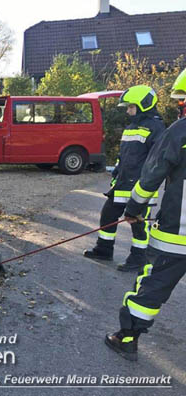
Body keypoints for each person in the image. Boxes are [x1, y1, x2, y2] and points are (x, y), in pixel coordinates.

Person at [104, 68, 186, 361]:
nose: (180, 107)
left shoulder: (180, 131)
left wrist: (134, 209)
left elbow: (151, 176)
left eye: (182, 101)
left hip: (178, 233)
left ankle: (127, 337)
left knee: (152, 285)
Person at [84, 85, 165, 271]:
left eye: (131, 107)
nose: (128, 111)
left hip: (140, 188)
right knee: (108, 215)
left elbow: (156, 162)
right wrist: (116, 175)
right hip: (121, 184)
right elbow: (124, 157)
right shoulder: (131, 127)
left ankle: (139, 259)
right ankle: (104, 250)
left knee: (138, 225)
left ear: (144, 105)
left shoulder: (157, 128)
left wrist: (145, 186)